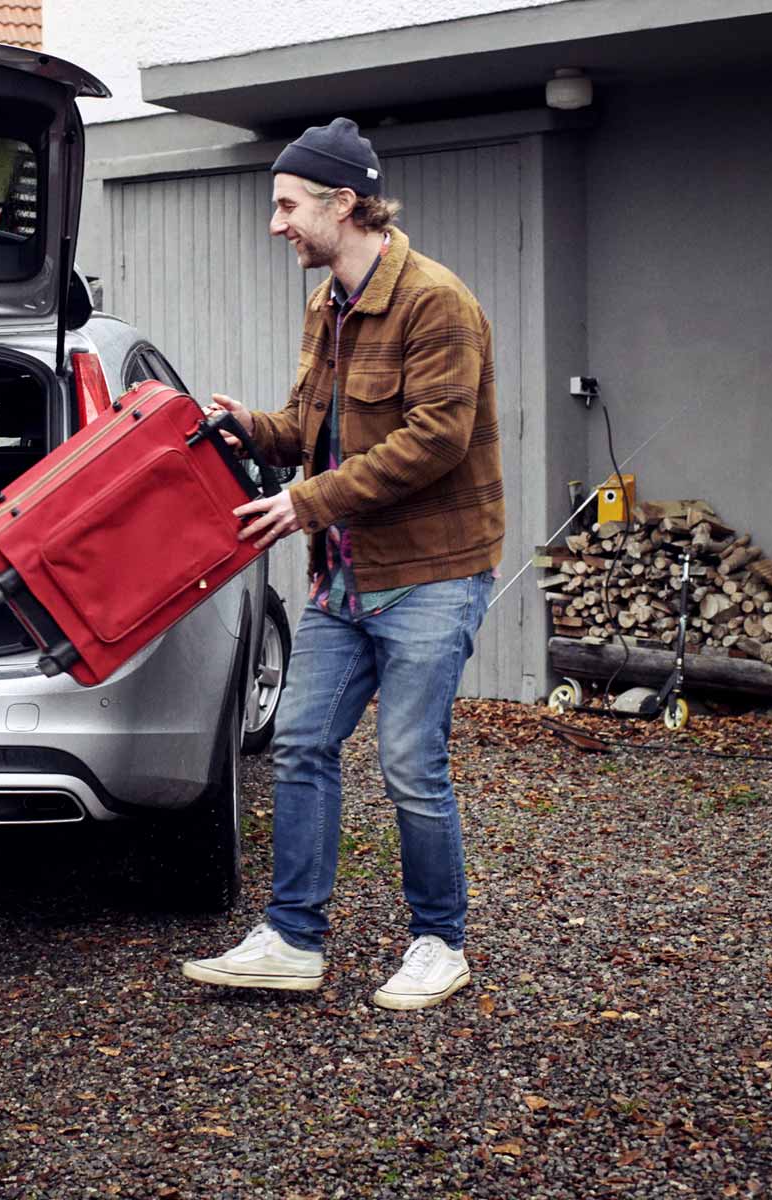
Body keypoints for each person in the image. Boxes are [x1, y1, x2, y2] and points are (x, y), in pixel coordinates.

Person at [182, 119, 504, 1010]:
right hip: (345, 576)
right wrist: (254, 426)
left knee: (409, 760)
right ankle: (293, 937)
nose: (276, 223)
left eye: (288, 206)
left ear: (343, 203)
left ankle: (440, 941)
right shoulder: (328, 305)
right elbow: (314, 432)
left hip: (430, 576)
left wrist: (305, 503)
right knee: (301, 742)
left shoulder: (437, 302)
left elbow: (434, 441)